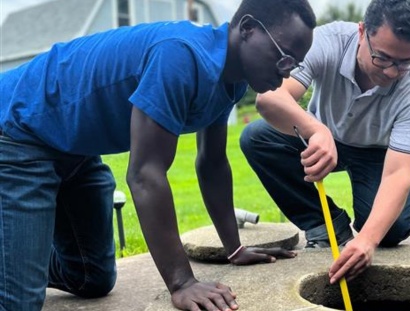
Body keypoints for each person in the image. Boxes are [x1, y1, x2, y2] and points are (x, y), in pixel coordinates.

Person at [0, 0, 316, 310]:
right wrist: (182, 283)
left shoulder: (230, 82)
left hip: (76, 150)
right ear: (247, 28)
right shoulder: (181, 55)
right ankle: (14, 276)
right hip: (19, 133)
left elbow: (213, 164)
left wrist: (233, 249)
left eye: (295, 63)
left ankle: (14, 268)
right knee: (19, 302)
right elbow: (145, 174)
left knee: (90, 277)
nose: (286, 72)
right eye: (283, 56)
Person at [240, 0, 410, 284]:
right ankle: (325, 223)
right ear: (362, 33)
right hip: (320, 136)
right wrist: (318, 131)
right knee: (257, 138)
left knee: (391, 233)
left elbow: (400, 172)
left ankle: (367, 229)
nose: (392, 72)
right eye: (382, 58)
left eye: (405, 61)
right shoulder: (327, 41)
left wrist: (367, 241)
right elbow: (269, 98)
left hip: (377, 153)